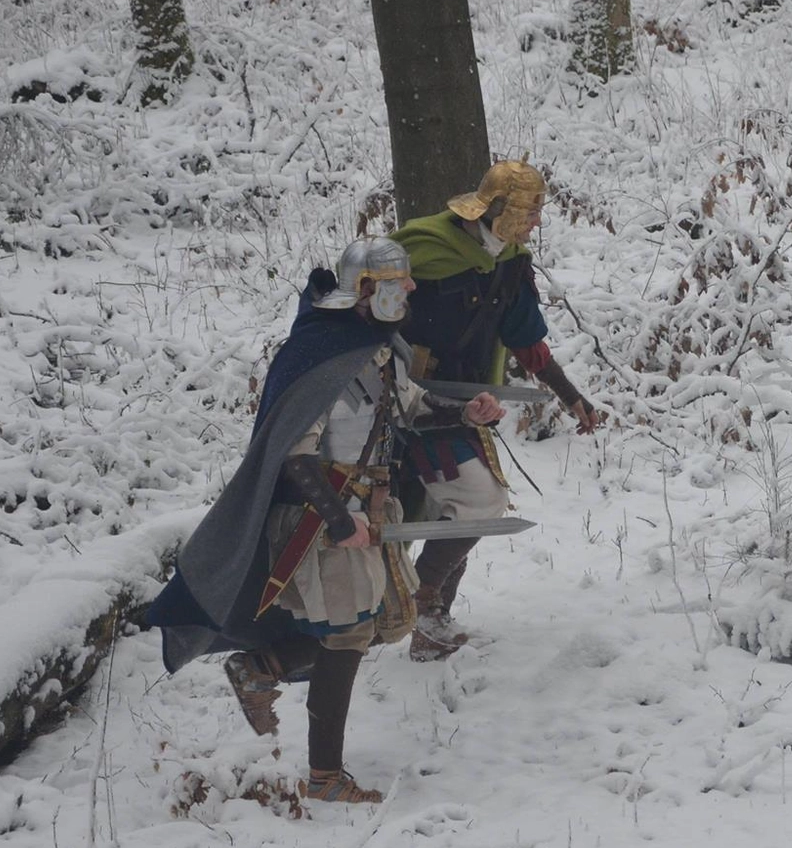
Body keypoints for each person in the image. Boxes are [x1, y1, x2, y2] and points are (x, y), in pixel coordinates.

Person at [146, 238, 504, 805]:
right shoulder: (316, 354)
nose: (411, 289)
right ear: (367, 289)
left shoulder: (378, 345)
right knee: (350, 634)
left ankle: (263, 667)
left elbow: (407, 406)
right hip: (324, 516)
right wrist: (339, 521)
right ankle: (326, 777)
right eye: (399, 280)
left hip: (371, 509)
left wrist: (464, 412)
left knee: (395, 618)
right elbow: (296, 450)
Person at [388, 159, 601, 661]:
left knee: (460, 511)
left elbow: (526, 341)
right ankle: (414, 608)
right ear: (499, 209)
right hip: (401, 403)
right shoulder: (419, 251)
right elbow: (367, 315)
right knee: (463, 505)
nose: (537, 222)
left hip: (468, 405)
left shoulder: (509, 261)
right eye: (530, 211)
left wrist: (570, 395)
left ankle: (430, 623)